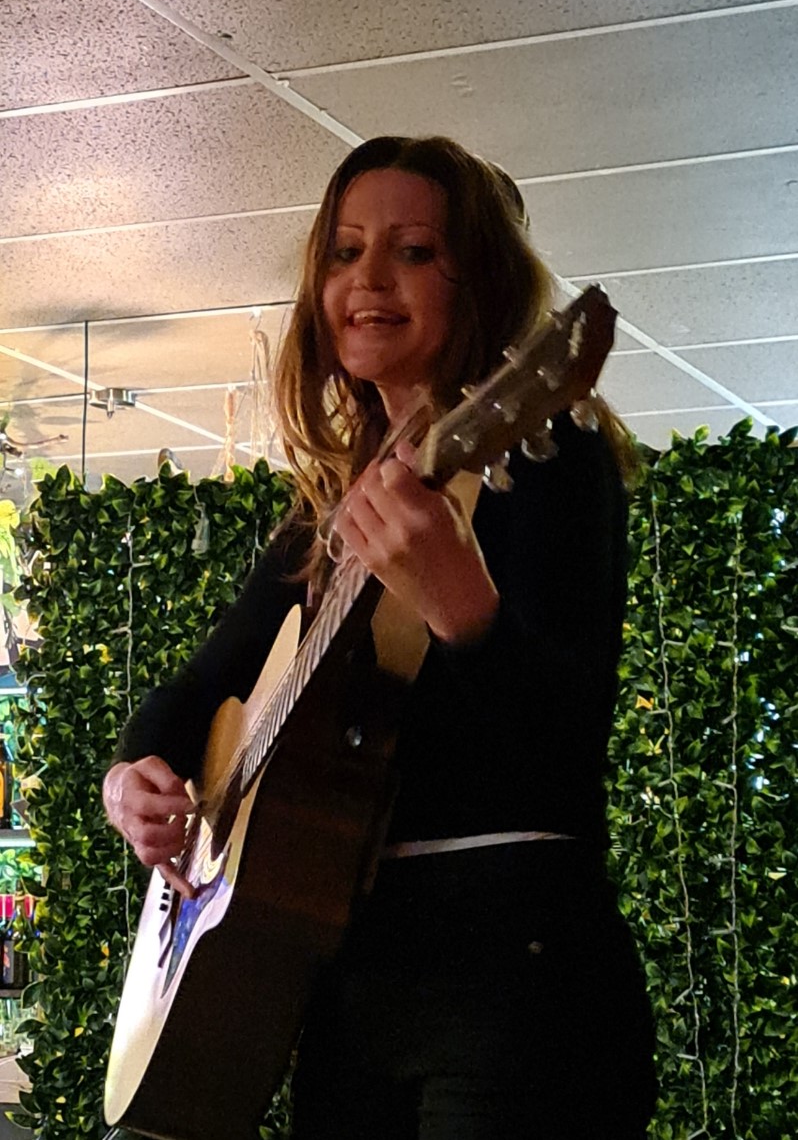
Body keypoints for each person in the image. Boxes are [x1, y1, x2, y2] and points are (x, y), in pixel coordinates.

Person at [102, 135, 658, 1139]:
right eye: (345, 251)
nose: (367, 280)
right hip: (346, 974)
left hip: (512, 971)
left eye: (412, 251)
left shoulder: (540, 453)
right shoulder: (324, 511)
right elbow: (198, 689)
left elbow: (567, 740)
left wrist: (465, 610)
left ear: (480, 282)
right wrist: (132, 775)